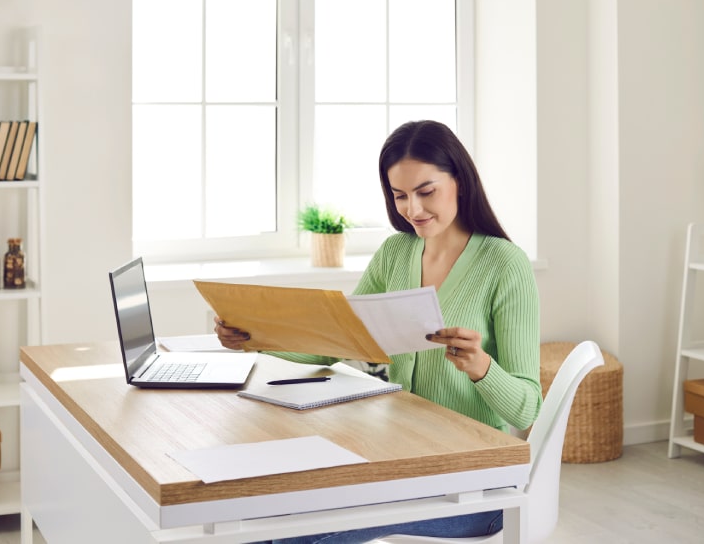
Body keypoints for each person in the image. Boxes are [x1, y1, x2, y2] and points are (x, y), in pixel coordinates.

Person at [215, 120, 541, 543]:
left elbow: (526, 409)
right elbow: (334, 343)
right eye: (400, 195)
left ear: (460, 180)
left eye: (426, 192)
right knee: (261, 514)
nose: (413, 209)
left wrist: (481, 367)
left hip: (471, 487)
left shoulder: (505, 264)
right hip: (398, 459)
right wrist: (253, 337)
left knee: (297, 535)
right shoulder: (396, 252)